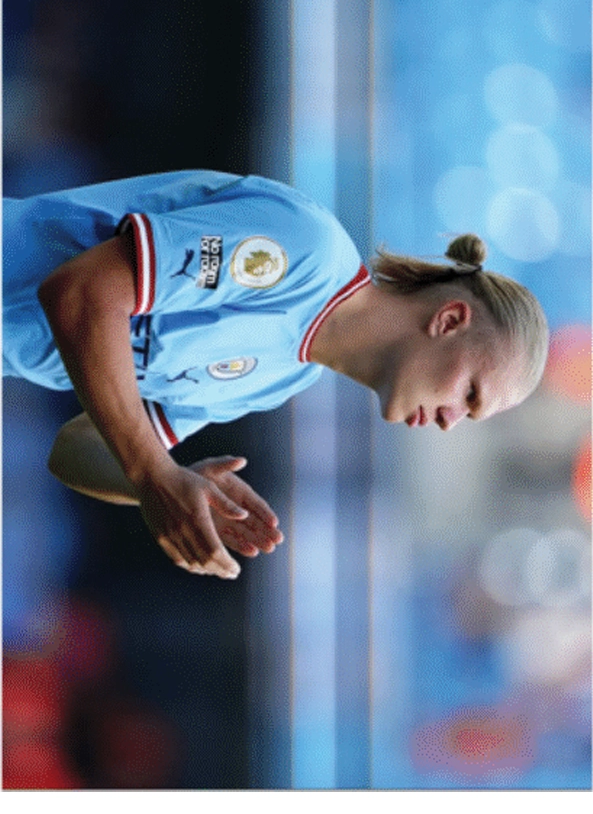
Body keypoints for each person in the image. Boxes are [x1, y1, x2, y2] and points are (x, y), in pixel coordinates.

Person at [3, 170, 549, 580]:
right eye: (469, 394)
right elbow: (81, 292)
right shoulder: (307, 250)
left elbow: (75, 449)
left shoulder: (284, 378)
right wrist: (151, 471)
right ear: (449, 320)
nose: (452, 422)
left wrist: (174, 484)